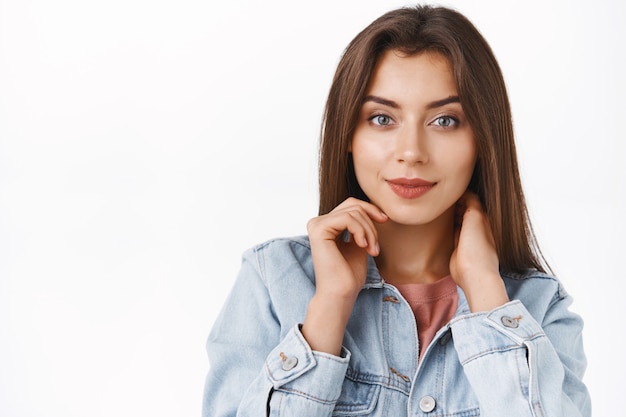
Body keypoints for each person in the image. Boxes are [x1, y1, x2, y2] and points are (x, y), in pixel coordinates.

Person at [202, 5, 591, 416]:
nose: (411, 153)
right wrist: (329, 308)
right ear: (347, 133)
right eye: (383, 118)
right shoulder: (272, 283)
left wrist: (486, 293)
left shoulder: (540, 306)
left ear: (483, 140)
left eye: (445, 121)